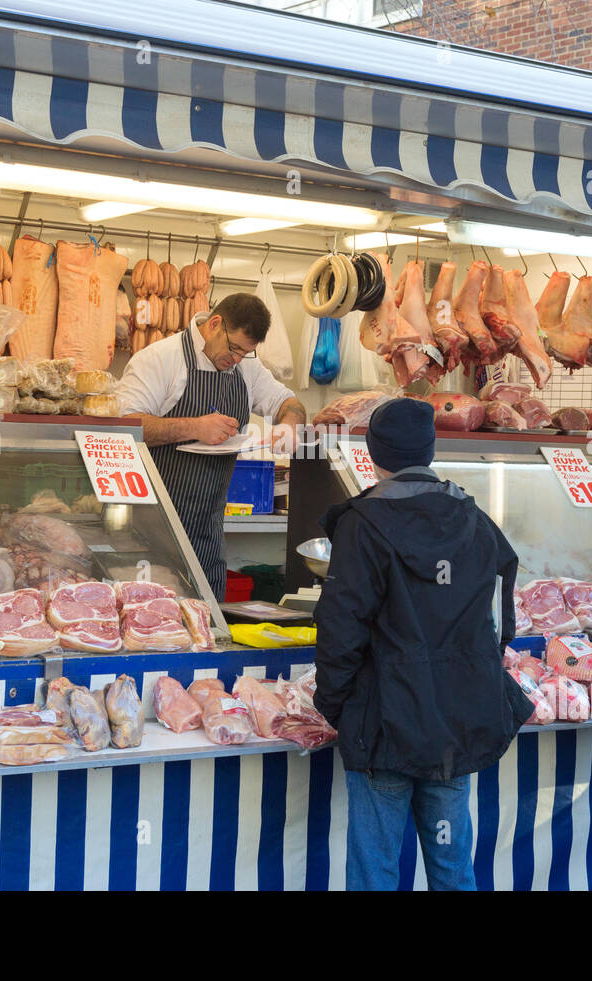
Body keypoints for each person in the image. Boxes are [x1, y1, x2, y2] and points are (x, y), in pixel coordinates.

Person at [312, 398, 534, 891]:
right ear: (430, 451)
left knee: (376, 872)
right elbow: (499, 623)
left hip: (384, 725)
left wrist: (335, 703)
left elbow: (340, 628)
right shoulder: (474, 520)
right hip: (456, 723)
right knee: (453, 867)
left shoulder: (363, 523)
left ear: (372, 454)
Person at [115, 293, 307, 598]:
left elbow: (288, 402)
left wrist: (289, 427)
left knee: (207, 628)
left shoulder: (246, 368)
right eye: (234, 349)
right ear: (215, 324)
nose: (237, 360)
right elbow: (124, 427)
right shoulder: (160, 359)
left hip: (208, 532)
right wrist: (193, 427)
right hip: (148, 533)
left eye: (247, 353)